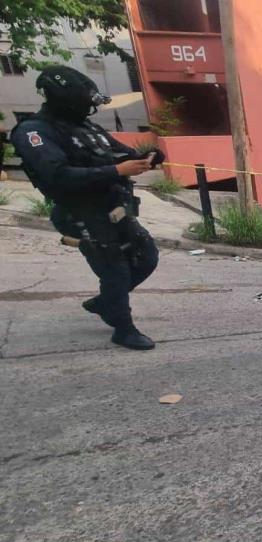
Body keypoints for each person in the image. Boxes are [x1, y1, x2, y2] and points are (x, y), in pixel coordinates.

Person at [11, 65, 164, 350]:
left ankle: (107, 301)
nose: (89, 109)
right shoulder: (34, 131)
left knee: (147, 256)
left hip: (112, 208)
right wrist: (118, 171)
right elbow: (58, 175)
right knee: (115, 267)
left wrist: (148, 158)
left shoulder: (85, 128)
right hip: (77, 211)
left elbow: (122, 153)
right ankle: (123, 328)